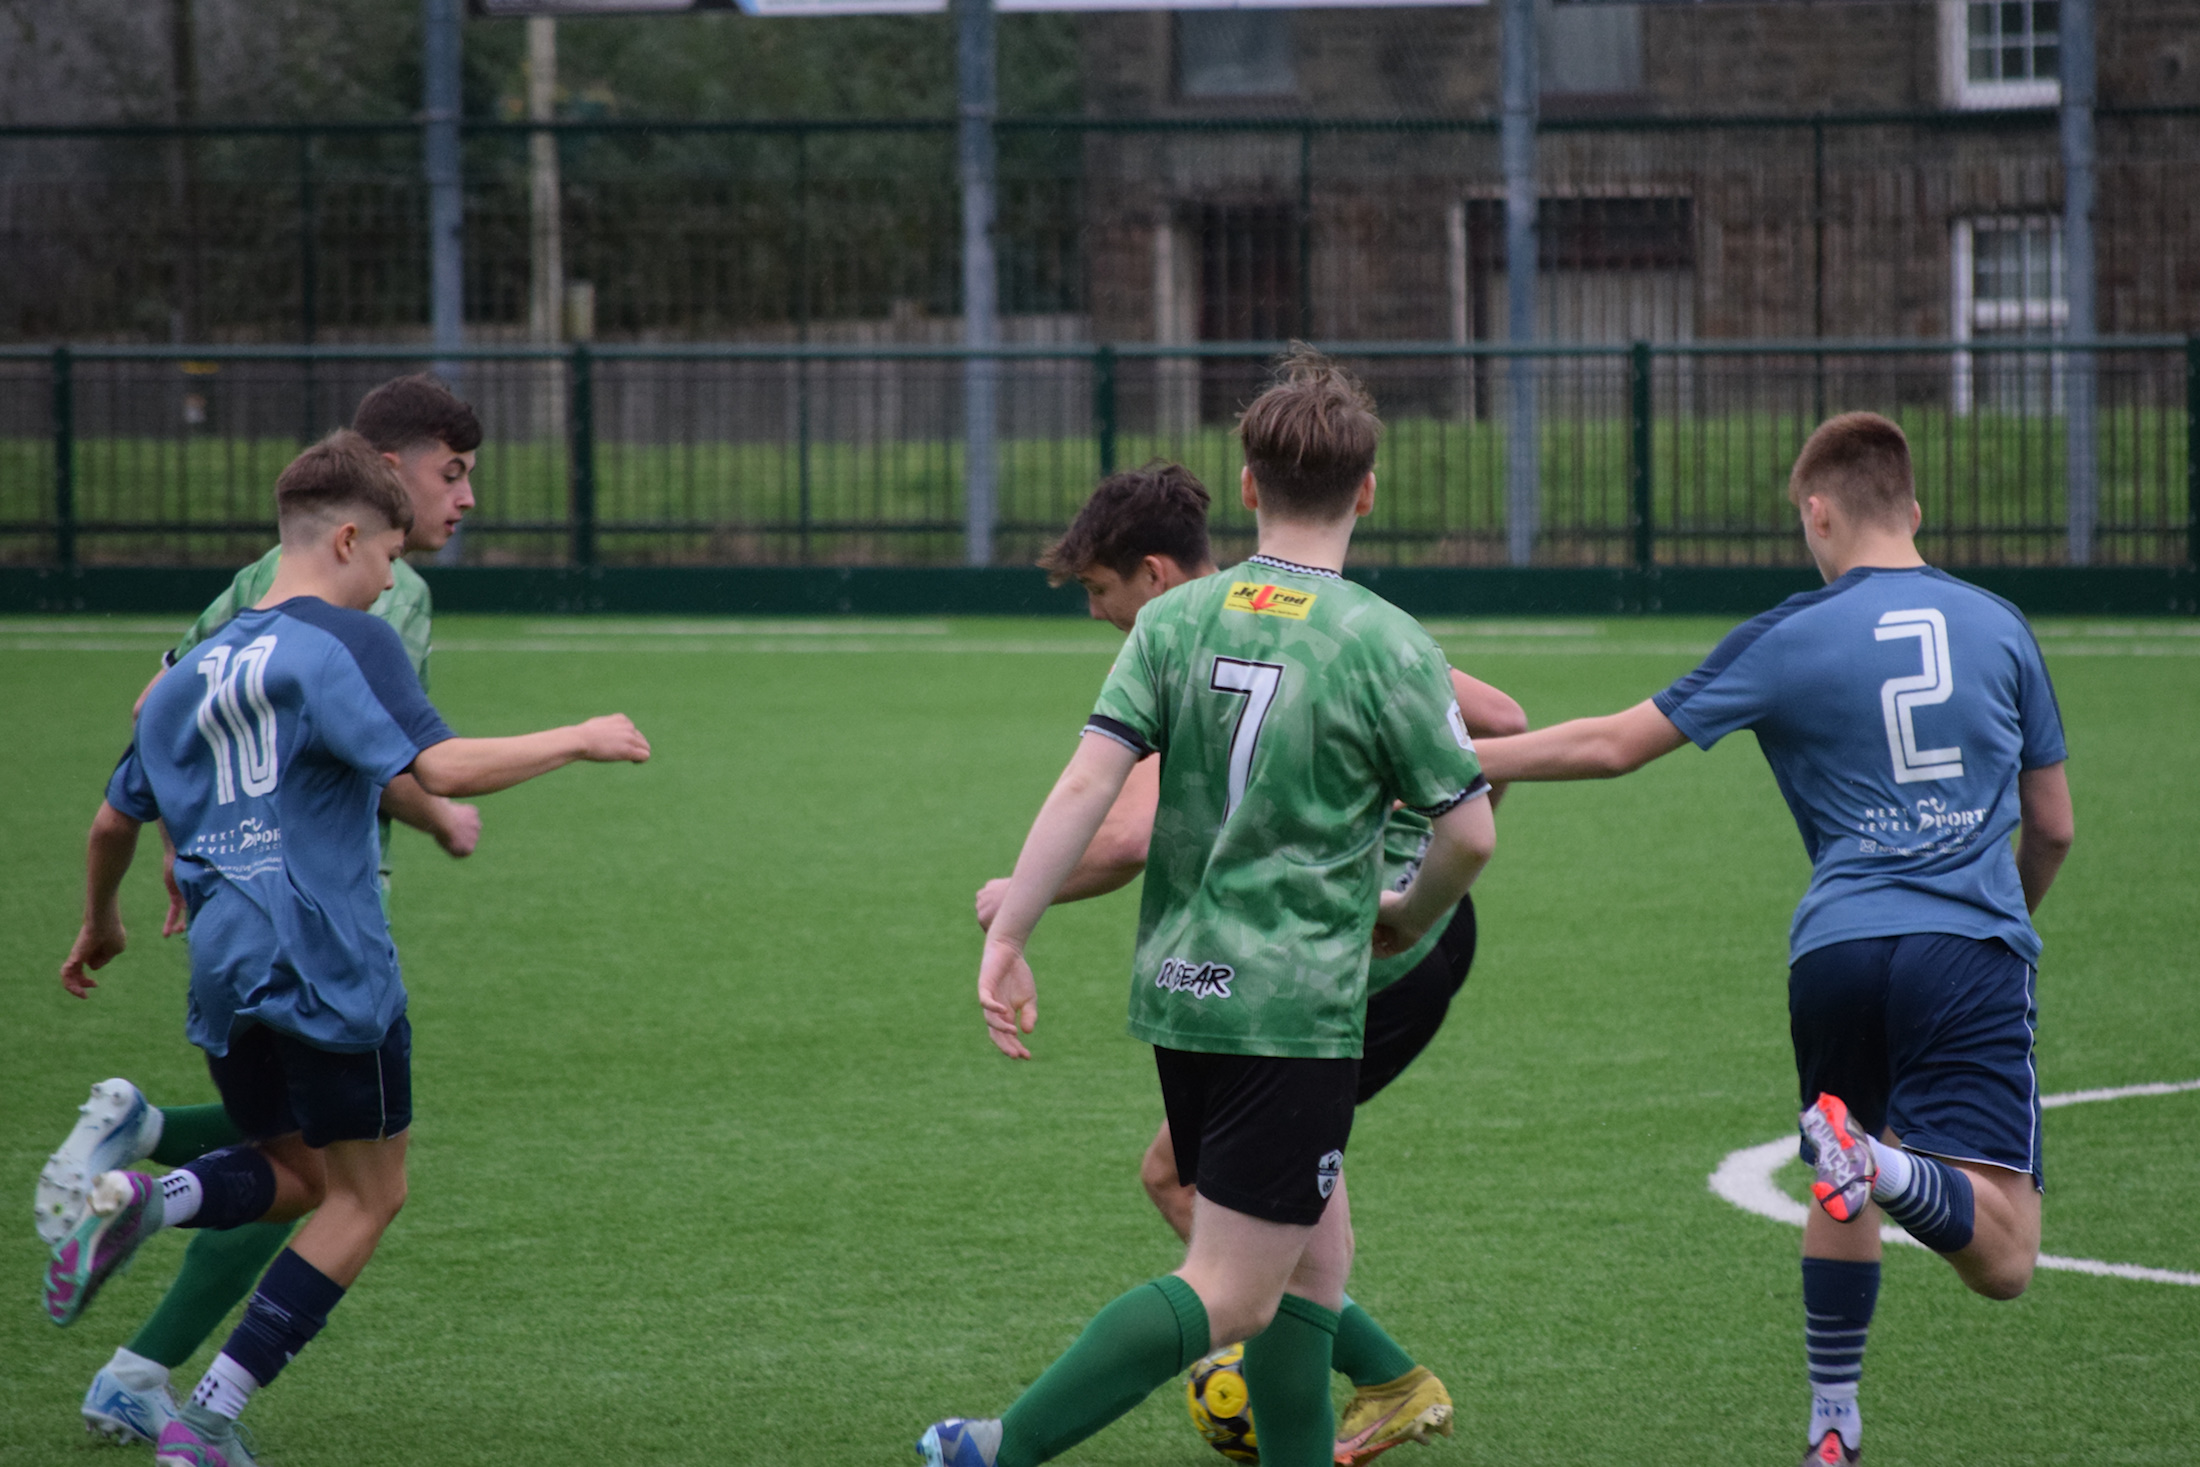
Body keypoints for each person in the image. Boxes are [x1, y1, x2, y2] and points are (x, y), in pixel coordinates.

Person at [920, 349, 1496, 1467]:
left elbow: (1085, 787)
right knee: (1232, 1291)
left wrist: (1012, 930)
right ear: (1368, 492)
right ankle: (1000, 1447)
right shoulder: (1386, 640)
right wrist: (1411, 909)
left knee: (1312, 1276)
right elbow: (1469, 832)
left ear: (1244, 486)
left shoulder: (1174, 621)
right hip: (1294, 1006)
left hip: (1184, 993)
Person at [1471, 412, 2073, 1467]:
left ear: (1817, 512)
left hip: (1834, 952)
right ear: (1914, 509)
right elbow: (2054, 826)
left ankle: (1832, 1419)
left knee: (1840, 1155)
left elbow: (1612, 745)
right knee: (2005, 1256)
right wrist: (2001, 917)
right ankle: (1876, 1162)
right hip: (1965, 946)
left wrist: (1456, 760)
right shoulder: (2000, 625)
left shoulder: (1788, 634)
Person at [45, 431, 653, 1467]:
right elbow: (441, 769)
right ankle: (207, 1418)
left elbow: (113, 821)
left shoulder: (189, 672)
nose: (387, 581)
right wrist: (578, 737)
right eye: (387, 556)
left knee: (295, 1171)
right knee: (370, 1193)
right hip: (328, 960)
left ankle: (153, 1197)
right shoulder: (346, 638)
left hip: (223, 969)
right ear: (345, 539)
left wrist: (100, 921)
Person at [34, 374, 485, 1446]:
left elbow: (160, 709)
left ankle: (139, 1277)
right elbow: (378, 749)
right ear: (382, 481)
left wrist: (186, 843)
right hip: (324, 908)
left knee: (294, 1153)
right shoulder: (383, 596)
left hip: (227, 899)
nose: (465, 498)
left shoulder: (257, 577)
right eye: (452, 473)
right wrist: (441, 813)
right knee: (340, 1179)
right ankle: (167, 1370)